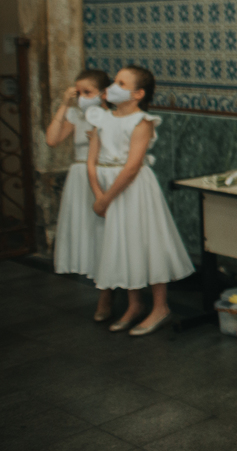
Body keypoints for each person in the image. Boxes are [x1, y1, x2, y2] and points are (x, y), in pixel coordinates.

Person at [86, 65, 193, 335]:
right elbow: (92, 159)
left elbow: (132, 167)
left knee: (145, 241)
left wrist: (106, 199)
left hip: (131, 189)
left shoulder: (142, 122)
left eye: (121, 84)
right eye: (114, 81)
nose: (112, 87)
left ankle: (160, 306)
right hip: (107, 188)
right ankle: (134, 304)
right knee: (123, 243)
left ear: (138, 94)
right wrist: (98, 194)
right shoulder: (102, 117)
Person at [49, 68, 113, 320]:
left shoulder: (111, 116)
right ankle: (98, 282)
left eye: (88, 92)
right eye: (79, 92)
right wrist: (65, 105)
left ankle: (106, 293)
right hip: (78, 178)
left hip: (101, 177)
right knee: (87, 234)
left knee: (103, 234)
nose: (83, 96)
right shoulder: (75, 114)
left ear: (102, 93)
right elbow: (52, 139)